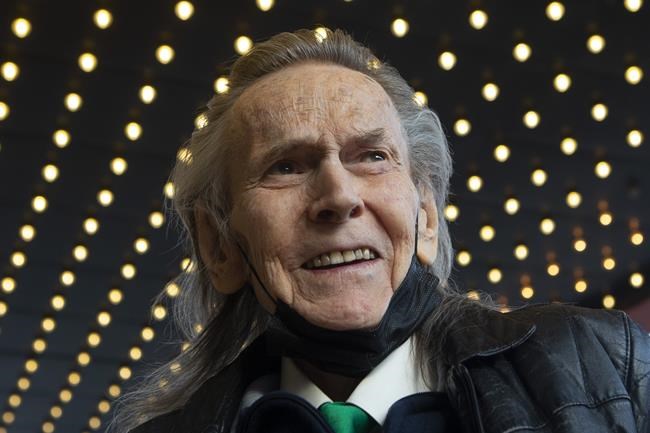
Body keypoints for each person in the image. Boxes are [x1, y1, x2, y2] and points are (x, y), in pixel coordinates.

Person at [111, 28, 650, 433]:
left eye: (372, 156)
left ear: (427, 216)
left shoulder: (608, 366)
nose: (339, 196)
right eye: (286, 166)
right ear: (219, 247)